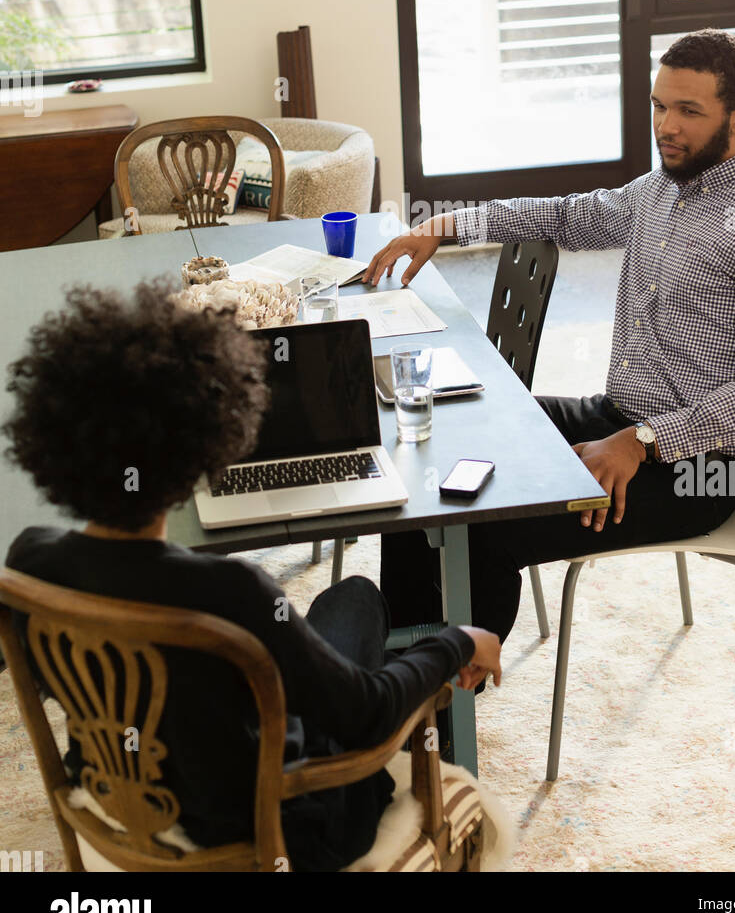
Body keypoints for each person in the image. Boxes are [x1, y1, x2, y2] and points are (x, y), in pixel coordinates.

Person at [2, 281, 501, 872]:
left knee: (353, 600)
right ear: (205, 449)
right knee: (357, 609)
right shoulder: (231, 596)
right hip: (279, 823)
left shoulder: (29, 560)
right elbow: (367, 713)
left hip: (119, 788)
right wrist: (455, 642)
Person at [362, 29, 735, 645]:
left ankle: (446, 712)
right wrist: (446, 225)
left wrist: (643, 441)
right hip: (613, 418)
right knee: (426, 451)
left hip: (699, 469)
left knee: (481, 527)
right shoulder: (661, 188)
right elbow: (566, 214)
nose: (667, 125)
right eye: (660, 106)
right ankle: (392, 681)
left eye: (689, 111)